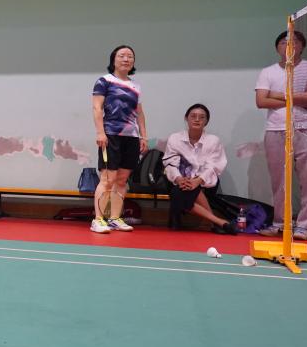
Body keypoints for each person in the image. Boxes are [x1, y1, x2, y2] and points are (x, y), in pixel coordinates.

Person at [255, 29, 307, 240]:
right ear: (277, 47)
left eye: (294, 42)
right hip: (276, 130)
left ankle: (305, 225)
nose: (289, 46)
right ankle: (280, 223)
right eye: (284, 42)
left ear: (302, 46)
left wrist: (276, 95)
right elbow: (261, 101)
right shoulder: (267, 72)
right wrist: (299, 98)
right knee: (279, 181)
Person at [90, 45, 146, 234]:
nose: (126, 59)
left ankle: (114, 218)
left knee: (122, 180)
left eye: (130, 56)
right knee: (108, 178)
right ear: (113, 59)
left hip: (131, 137)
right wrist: (100, 132)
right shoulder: (104, 81)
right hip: (111, 135)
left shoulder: (136, 86)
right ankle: (98, 220)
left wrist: (143, 135)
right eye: (122, 55)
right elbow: (97, 108)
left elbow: (139, 113)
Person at [163, 104, 235, 234]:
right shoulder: (175, 138)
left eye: (202, 117)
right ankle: (218, 222)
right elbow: (170, 164)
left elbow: (213, 166)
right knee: (180, 190)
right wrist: (179, 179)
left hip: (205, 181)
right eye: (193, 116)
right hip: (179, 181)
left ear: (206, 121)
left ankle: (214, 223)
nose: (197, 120)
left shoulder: (213, 140)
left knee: (182, 192)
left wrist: (197, 181)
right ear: (186, 118)